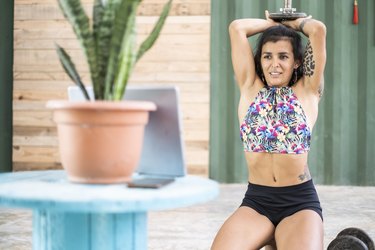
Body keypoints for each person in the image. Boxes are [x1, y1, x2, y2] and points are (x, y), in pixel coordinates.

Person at [211, 10, 326, 250]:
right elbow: (237, 28)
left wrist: (293, 22)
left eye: (283, 56)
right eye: (267, 56)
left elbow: (318, 30)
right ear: (260, 61)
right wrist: (272, 23)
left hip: (299, 203)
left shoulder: (307, 91)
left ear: (296, 62)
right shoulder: (249, 88)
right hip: (257, 202)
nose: (274, 64)